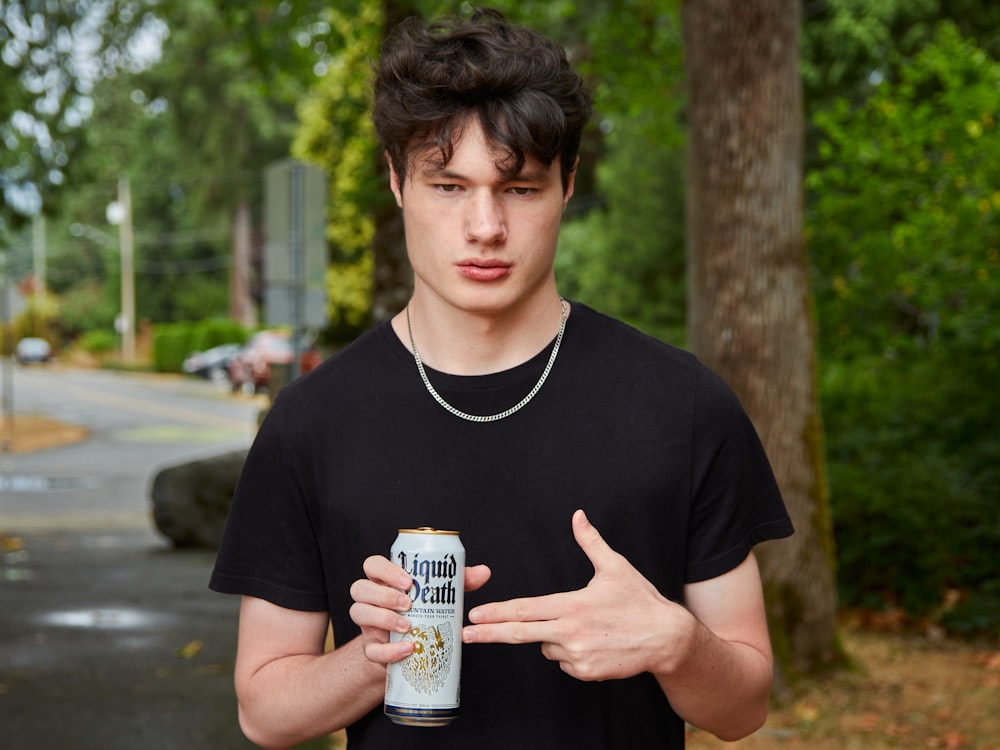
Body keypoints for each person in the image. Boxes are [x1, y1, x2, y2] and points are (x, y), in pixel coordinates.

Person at [209, 8, 794, 749]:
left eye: (519, 189)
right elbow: (263, 712)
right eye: (449, 186)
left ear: (568, 185)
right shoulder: (310, 422)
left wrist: (675, 642)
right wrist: (376, 654)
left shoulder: (683, 406)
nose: (485, 226)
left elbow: (742, 707)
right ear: (396, 183)